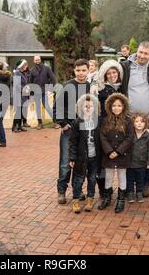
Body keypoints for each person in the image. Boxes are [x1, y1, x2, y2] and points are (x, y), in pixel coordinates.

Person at [120, 42, 149, 197]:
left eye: (146, 54)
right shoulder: (125, 66)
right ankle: (128, 186)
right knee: (128, 151)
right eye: (140, 52)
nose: (142, 56)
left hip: (147, 119)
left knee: (147, 152)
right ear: (137, 51)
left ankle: (145, 184)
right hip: (128, 118)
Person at [53, 59, 91, 205]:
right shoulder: (67, 86)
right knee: (65, 162)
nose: (81, 73)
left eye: (84, 70)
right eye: (78, 70)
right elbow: (57, 108)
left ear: (88, 71)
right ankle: (61, 190)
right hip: (69, 131)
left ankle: (78, 190)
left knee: (81, 162)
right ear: (74, 71)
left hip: (85, 131)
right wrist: (63, 124)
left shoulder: (90, 87)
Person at [92, 59, 124, 201]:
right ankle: (105, 190)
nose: (112, 75)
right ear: (104, 75)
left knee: (119, 159)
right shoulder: (100, 89)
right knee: (103, 161)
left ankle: (123, 189)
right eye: (109, 73)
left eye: (114, 72)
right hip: (104, 128)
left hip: (119, 130)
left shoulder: (122, 88)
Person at [99, 93, 134, 213]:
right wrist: (109, 151)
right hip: (108, 155)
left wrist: (118, 151)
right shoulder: (105, 121)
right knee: (108, 176)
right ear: (110, 106)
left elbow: (130, 138)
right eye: (114, 105)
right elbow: (102, 136)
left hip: (122, 155)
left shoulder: (128, 121)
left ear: (124, 107)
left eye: (119, 105)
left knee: (121, 176)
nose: (116, 108)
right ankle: (107, 197)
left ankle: (120, 200)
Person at [68, 94, 101, 213]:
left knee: (92, 179)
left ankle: (90, 199)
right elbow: (73, 142)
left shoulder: (98, 122)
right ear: (80, 108)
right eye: (85, 106)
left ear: (95, 108)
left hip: (94, 157)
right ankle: (76, 200)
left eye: (91, 106)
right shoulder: (77, 123)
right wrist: (72, 157)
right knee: (78, 179)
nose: (88, 108)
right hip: (80, 157)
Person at [127, 113, 149, 203]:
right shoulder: (130, 134)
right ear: (133, 123)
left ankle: (139, 192)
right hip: (130, 163)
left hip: (142, 163)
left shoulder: (148, 136)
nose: (139, 123)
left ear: (146, 123)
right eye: (136, 121)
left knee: (140, 179)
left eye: (142, 121)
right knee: (130, 179)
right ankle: (130, 193)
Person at [29, 55, 57, 130]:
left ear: (40, 60)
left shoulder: (47, 68)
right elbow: (30, 83)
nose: (37, 61)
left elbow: (53, 79)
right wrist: (31, 94)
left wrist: (50, 89)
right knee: (37, 108)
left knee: (47, 106)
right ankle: (40, 123)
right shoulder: (32, 70)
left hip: (45, 91)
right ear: (33, 61)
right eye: (36, 60)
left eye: (38, 60)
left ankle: (56, 122)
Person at [12, 59, 30, 132]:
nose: (26, 66)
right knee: (18, 111)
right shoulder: (17, 73)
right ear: (22, 66)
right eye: (25, 65)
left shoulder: (24, 73)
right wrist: (25, 89)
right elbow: (17, 85)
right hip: (18, 95)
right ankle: (14, 126)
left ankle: (19, 126)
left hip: (24, 95)